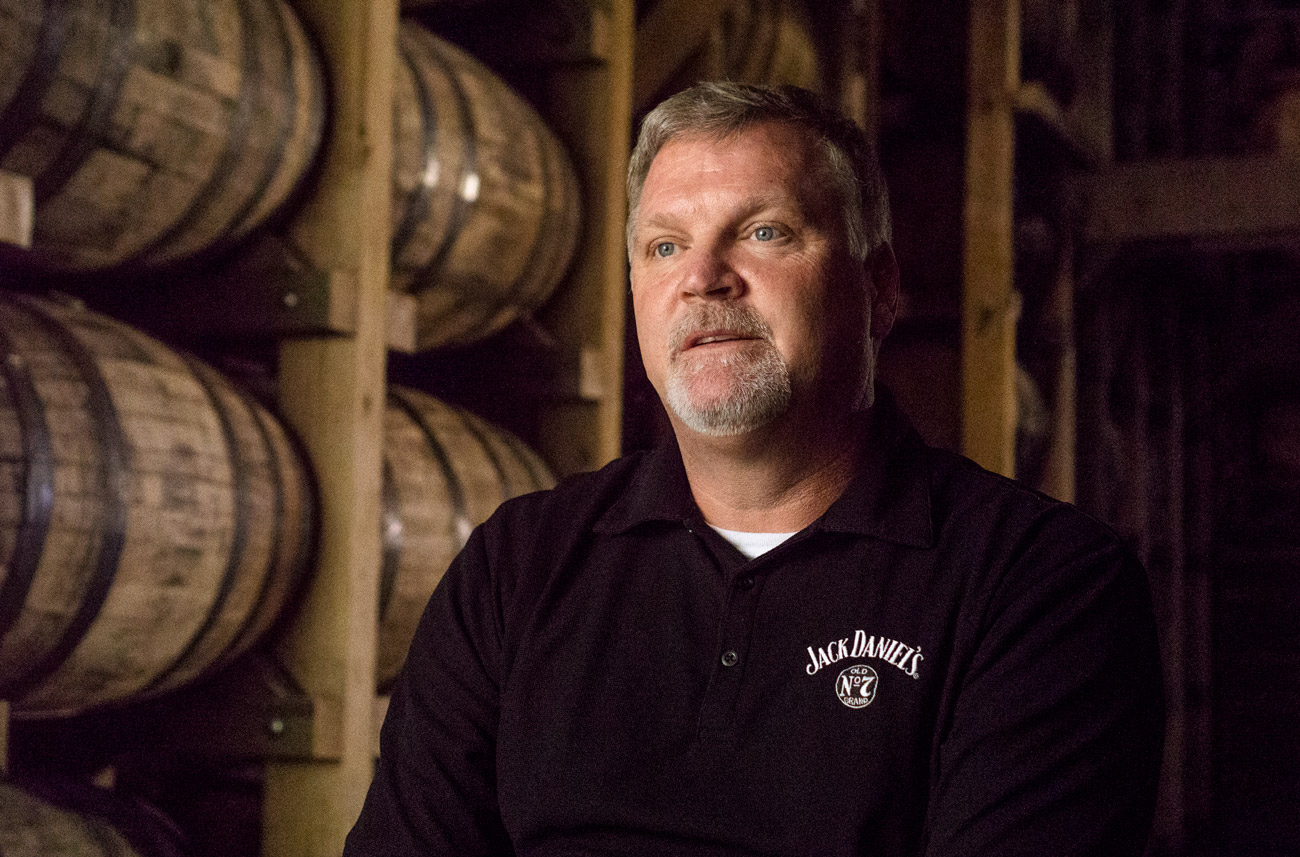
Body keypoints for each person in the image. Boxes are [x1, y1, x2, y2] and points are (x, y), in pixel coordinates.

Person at [343, 82, 1164, 857]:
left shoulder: (1043, 586)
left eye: (764, 232)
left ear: (877, 290)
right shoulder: (517, 566)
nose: (703, 277)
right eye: (665, 245)